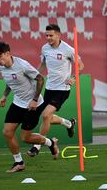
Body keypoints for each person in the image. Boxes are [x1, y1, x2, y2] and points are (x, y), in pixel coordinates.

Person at [0, 42, 59, 173]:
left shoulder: (22, 65)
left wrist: (34, 100)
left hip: (33, 105)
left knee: (25, 138)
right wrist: (4, 96)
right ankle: (19, 163)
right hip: (18, 103)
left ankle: (50, 143)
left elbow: (40, 79)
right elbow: (10, 82)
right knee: (7, 132)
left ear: (7, 54)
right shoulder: (2, 68)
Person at [27, 24, 84, 157]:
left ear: (58, 35)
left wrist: (73, 78)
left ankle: (37, 145)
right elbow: (43, 64)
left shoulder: (68, 49)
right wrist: (34, 75)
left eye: (51, 35)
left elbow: (80, 66)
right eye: (46, 35)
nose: (48, 38)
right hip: (49, 87)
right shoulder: (45, 48)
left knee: (45, 115)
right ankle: (69, 123)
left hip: (62, 89)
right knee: (49, 118)